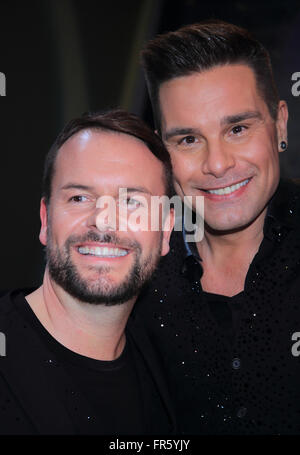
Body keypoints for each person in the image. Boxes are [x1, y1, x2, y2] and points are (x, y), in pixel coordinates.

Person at [135, 20, 300, 434]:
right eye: (188, 139)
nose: (218, 164)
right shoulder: (134, 264)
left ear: (279, 125)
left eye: (238, 129)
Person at [0, 109, 176, 435]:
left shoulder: (173, 372)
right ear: (45, 219)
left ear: (165, 231)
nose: (104, 220)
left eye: (131, 201)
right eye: (80, 197)